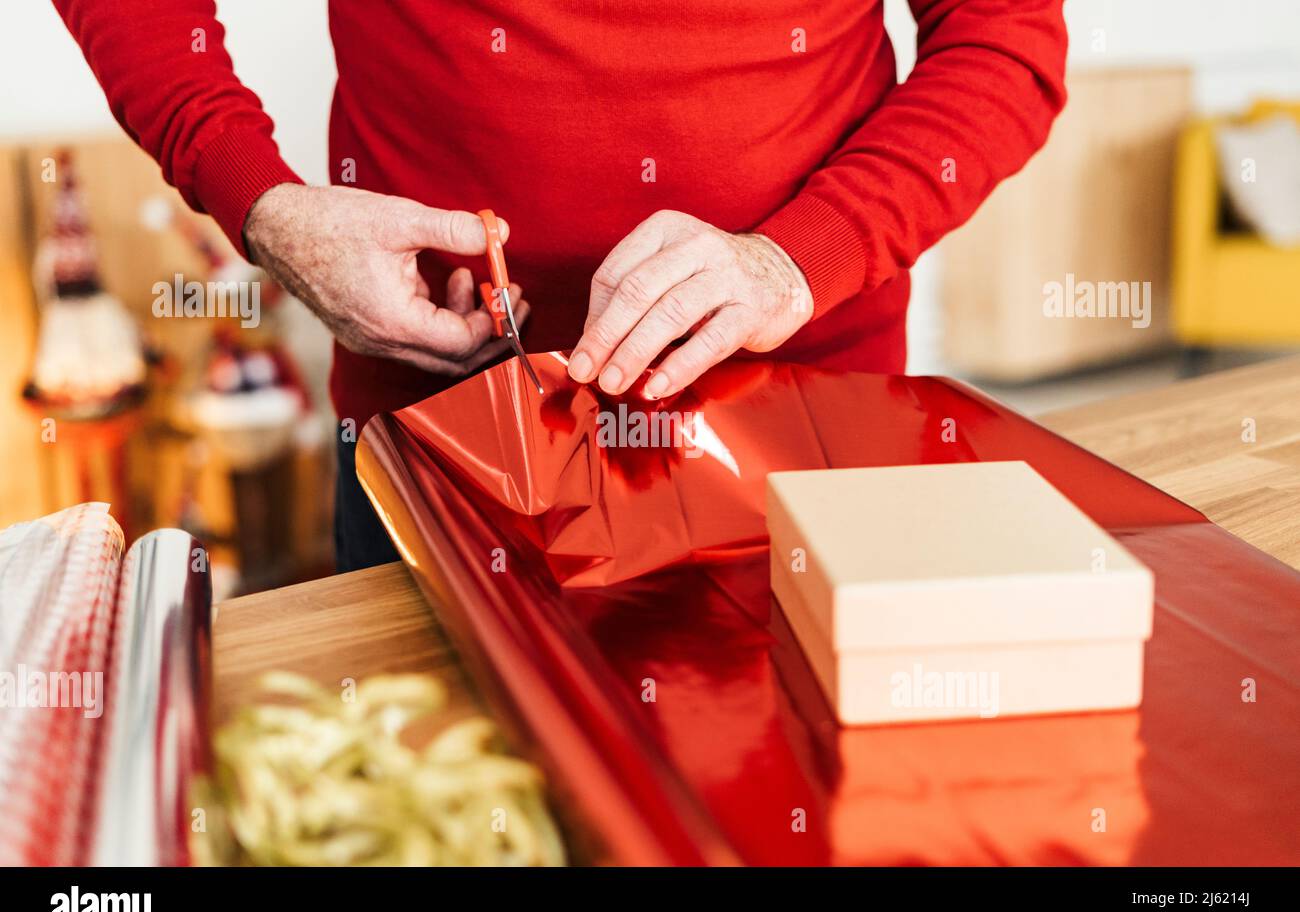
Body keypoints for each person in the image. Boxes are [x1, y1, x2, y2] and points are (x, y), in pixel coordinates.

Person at [56, 1, 1068, 571]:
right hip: (437, 447)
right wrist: (257, 199)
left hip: (804, 440)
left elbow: (1006, 37)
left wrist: (793, 259)